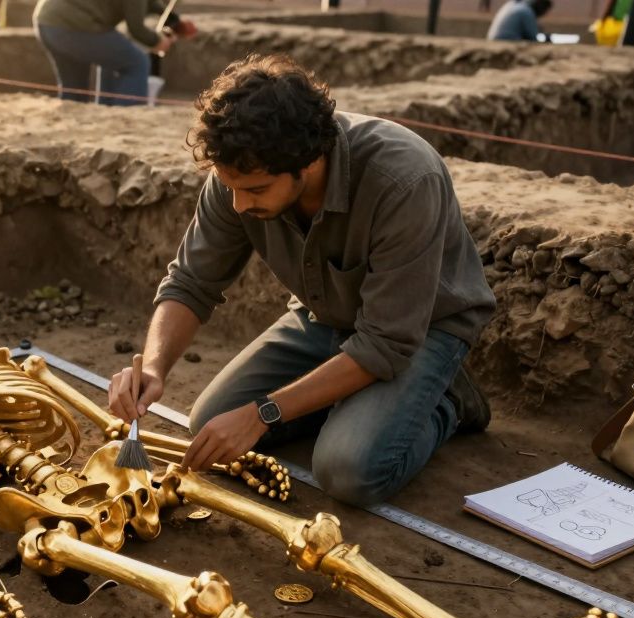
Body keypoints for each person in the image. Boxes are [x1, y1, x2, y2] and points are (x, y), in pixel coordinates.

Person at [107, 54, 496, 506]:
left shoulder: (404, 180)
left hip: (421, 331)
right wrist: (153, 367)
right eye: (229, 186)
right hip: (326, 317)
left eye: (253, 190)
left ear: (308, 163)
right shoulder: (240, 170)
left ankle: (446, 401)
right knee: (210, 421)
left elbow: (385, 343)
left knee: (348, 471)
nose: (237, 205)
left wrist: (265, 411)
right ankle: (344, 403)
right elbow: (192, 281)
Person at [33, 0, 195, 106]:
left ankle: (101, 112)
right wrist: (159, 42)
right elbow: (136, 29)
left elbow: (150, 3)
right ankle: (125, 117)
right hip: (75, 25)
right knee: (137, 62)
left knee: (74, 92)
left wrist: (176, 21)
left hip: (47, 22)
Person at [486, 0, 552, 41]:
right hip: (504, 41)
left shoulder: (514, 4)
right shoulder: (526, 11)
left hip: (493, 39)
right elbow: (532, 37)